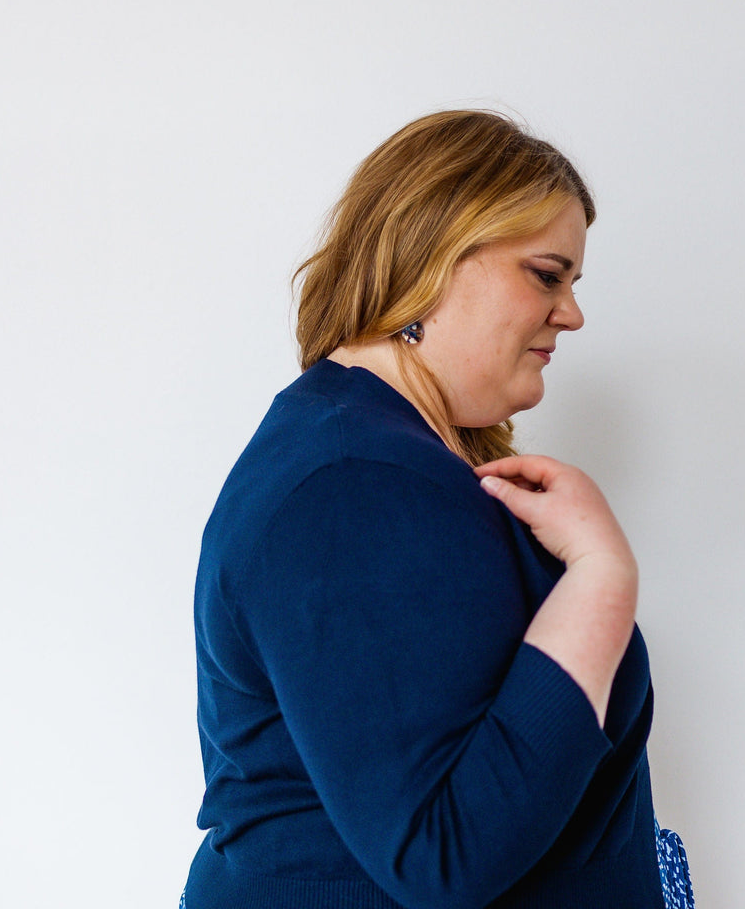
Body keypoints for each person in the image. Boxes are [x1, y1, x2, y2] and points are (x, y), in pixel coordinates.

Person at [182, 110, 688, 908]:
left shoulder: (373, 451)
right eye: (546, 274)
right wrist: (600, 578)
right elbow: (444, 856)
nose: (572, 313)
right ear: (436, 259)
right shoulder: (354, 483)